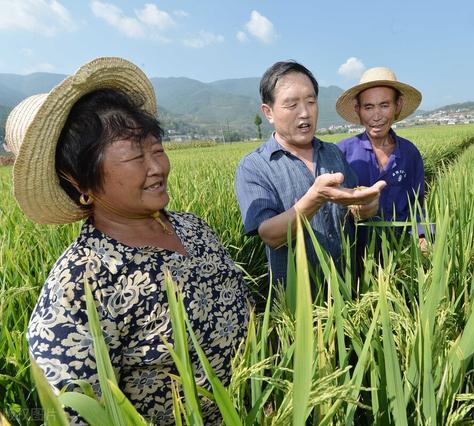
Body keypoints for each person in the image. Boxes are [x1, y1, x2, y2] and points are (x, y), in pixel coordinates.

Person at [6, 57, 250, 424]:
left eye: (156, 149)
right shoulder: (79, 288)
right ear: (79, 181)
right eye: (135, 155)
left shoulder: (193, 227)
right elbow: (77, 415)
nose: (158, 167)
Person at [235, 61, 386, 286]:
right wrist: (315, 198)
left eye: (311, 102)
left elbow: (354, 210)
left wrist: (366, 206)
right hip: (299, 309)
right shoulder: (254, 167)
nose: (304, 113)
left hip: (350, 293)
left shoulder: (333, 153)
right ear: (269, 112)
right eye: (291, 104)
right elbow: (270, 234)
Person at [335, 67, 430, 251]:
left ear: (398, 106)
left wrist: (422, 237)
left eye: (384, 105)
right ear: (358, 110)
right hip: (354, 259)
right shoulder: (341, 153)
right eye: (368, 107)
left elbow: (417, 205)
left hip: (401, 253)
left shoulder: (410, 154)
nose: (376, 116)